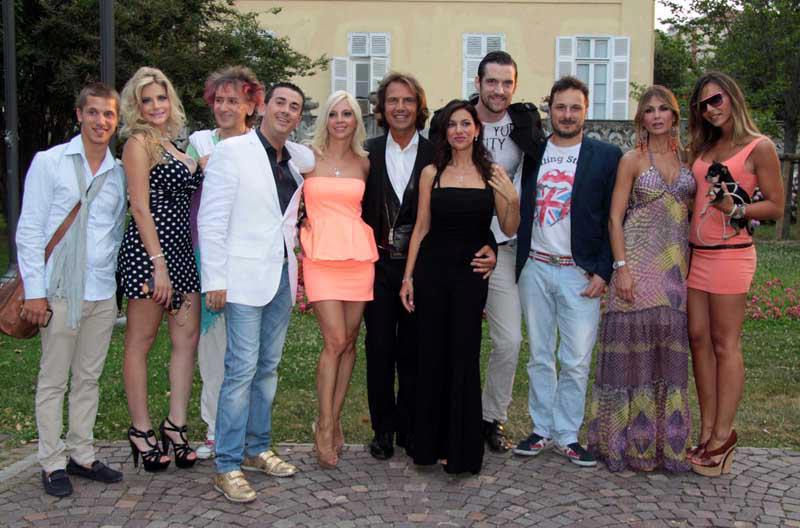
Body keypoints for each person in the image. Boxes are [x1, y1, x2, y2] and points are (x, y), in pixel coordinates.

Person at [362, 73, 497, 460]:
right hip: (378, 265)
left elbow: (464, 212)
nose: (400, 107)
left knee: (417, 351)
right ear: (382, 108)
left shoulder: (435, 155)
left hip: (424, 268)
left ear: (418, 107)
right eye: (392, 100)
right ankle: (383, 428)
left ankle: (411, 426)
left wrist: (491, 247)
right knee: (379, 348)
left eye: (408, 100)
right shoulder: (367, 152)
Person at [199, 82, 314, 503]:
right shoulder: (233, 151)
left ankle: (256, 447)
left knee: (268, 368)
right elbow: (211, 219)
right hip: (242, 278)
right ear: (263, 106)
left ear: (299, 117)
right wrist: (215, 279)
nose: (286, 111)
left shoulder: (294, 159)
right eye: (280, 102)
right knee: (241, 370)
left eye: (295, 107)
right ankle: (227, 464)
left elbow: (310, 158)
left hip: (281, 275)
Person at [17, 82, 126, 497]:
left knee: (88, 378)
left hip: (101, 290)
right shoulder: (50, 162)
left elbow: (113, 233)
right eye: (93, 112)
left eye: (109, 114)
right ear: (79, 115)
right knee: (54, 379)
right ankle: (51, 461)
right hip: (60, 290)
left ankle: (82, 453)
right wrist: (35, 291)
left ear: (116, 121)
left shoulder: (117, 172)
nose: (101, 121)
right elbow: (30, 229)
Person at [400, 99, 520, 474]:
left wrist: (512, 198)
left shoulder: (493, 174)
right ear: (445, 132)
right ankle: (429, 445)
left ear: (477, 129)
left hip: (471, 275)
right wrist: (408, 277)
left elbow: (510, 226)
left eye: (466, 123)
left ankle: (461, 448)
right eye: (452, 124)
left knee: (464, 355)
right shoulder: (431, 173)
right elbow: (421, 227)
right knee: (431, 354)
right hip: (432, 272)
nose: (459, 130)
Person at [513, 76, 622, 467]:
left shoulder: (606, 156)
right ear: (550, 110)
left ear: (586, 111)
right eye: (560, 107)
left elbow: (615, 216)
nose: (567, 114)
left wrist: (604, 270)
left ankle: (568, 435)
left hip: (580, 272)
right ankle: (541, 429)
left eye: (575, 107)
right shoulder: (532, 153)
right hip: (535, 267)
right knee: (540, 355)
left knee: (575, 359)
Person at [587, 85, 695, 472]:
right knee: (630, 359)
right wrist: (621, 268)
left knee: (666, 360)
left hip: (674, 272)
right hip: (636, 265)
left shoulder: (689, 159)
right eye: (649, 110)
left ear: (674, 116)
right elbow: (615, 218)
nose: (656, 115)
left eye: (663, 109)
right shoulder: (632, 160)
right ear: (641, 119)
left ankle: (663, 447)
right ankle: (621, 445)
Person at [685, 72, 783, 476]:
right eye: (703, 105)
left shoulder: (760, 146)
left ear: (732, 98)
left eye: (717, 100)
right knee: (698, 341)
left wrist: (736, 209)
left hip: (730, 255)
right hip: (697, 255)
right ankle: (707, 430)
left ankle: (723, 436)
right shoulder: (705, 146)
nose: (711, 109)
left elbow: (776, 206)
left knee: (725, 344)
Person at [118, 67, 202, 473]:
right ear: (136, 106)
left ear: (171, 100)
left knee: (186, 341)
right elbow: (139, 207)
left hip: (182, 255)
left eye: (161, 97)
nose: (155, 106)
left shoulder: (174, 144)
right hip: (150, 257)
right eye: (146, 100)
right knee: (141, 341)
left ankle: (176, 425)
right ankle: (140, 429)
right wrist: (159, 267)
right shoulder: (138, 144)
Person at [465, 51, 546, 452]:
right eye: (492, 81)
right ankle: (454, 415)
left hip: (504, 245)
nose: (499, 90)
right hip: (461, 246)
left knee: (509, 341)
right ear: (478, 83)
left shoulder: (525, 124)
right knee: (455, 339)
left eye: (506, 83)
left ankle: (490, 417)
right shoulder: (459, 120)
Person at [186, 66, 263, 460]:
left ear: (251, 105)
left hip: (251, 258)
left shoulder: (260, 145)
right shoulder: (200, 142)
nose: (225, 107)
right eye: (219, 100)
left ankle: (248, 431)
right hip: (210, 255)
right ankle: (215, 428)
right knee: (213, 348)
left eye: (234, 100)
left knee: (249, 353)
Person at [300, 90, 377, 468]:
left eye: (347, 114)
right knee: (334, 340)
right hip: (319, 256)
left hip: (358, 258)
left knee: (349, 343)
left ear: (357, 120)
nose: (340, 120)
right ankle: (325, 424)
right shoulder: (306, 158)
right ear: (325, 119)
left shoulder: (365, 162)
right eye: (334, 114)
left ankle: (335, 415)